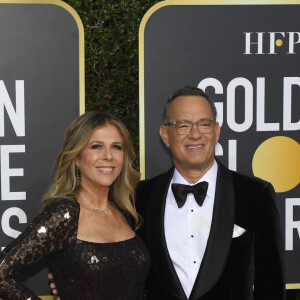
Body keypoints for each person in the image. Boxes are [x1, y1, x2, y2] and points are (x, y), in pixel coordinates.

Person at [135, 86, 285, 300]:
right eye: (183, 125)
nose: (195, 134)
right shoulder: (142, 196)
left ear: (216, 132)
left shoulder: (255, 195)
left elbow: (270, 284)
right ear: (165, 135)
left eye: (204, 124)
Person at [0, 111, 150, 299]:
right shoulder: (65, 213)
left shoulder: (125, 209)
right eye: (96, 146)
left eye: (116, 147)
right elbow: (2, 273)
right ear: (77, 158)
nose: (108, 156)